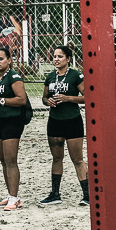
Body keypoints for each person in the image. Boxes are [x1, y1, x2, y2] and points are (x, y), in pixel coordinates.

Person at [39, 44, 88, 207]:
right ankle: (55, 194)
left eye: (60, 56)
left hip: (72, 120)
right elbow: (44, 98)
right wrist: (48, 101)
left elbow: (88, 97)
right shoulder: (50, 76)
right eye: (54, 56)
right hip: (55, 121)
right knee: (57, 158)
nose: (56, 59)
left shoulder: (75, 75)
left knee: (77, 159)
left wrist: (68, 98)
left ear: (68, 58)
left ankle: (87, 195)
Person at [0, 45, 30, 210]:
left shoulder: (13, 76)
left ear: (9, 60)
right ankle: (10, 195)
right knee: (3, 160)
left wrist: (2, 101)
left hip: (12, 121)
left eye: (1, 59)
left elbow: (21, 99)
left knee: (11, 160)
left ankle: (15, 197)